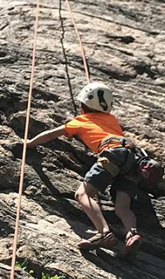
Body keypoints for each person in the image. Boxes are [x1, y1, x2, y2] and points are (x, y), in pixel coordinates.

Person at [26, 82, 153, 258]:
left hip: (113, 155)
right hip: (132, 158)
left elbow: (51, 134)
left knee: (82, 194)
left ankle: (104, 233)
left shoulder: (80, 121)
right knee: (123, 207)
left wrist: (29, 144)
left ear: (83, 106)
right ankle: (132, 234)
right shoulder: (112, 119)